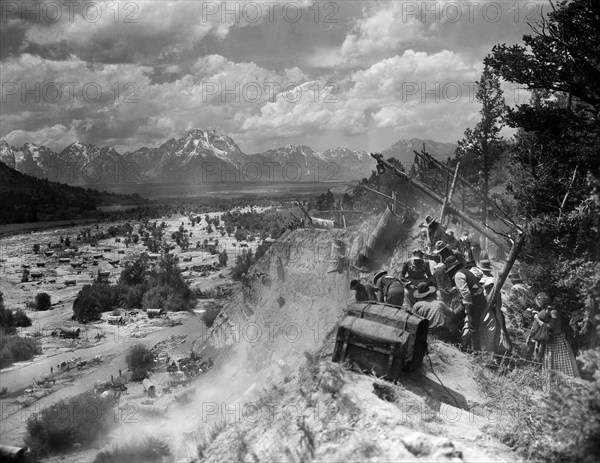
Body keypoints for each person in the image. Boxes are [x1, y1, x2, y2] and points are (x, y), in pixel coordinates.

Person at [445, 255, 486, 350]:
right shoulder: (467, 272)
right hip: (479, 300)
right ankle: (463, 342)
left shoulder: (458, 275)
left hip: (473, 303)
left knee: (473, 327)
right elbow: (473, 287)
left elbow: (466, 293)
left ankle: (474, 350)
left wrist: (468, 308)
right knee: (456, 317)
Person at [535, 295, 580, 379]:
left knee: (561, 365)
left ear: (541, 302)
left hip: (557, 341)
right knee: (551, 363)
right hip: (551, 341)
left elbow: (548, 327)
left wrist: (537, 318)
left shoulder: (553, 312)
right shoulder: (546, 311)